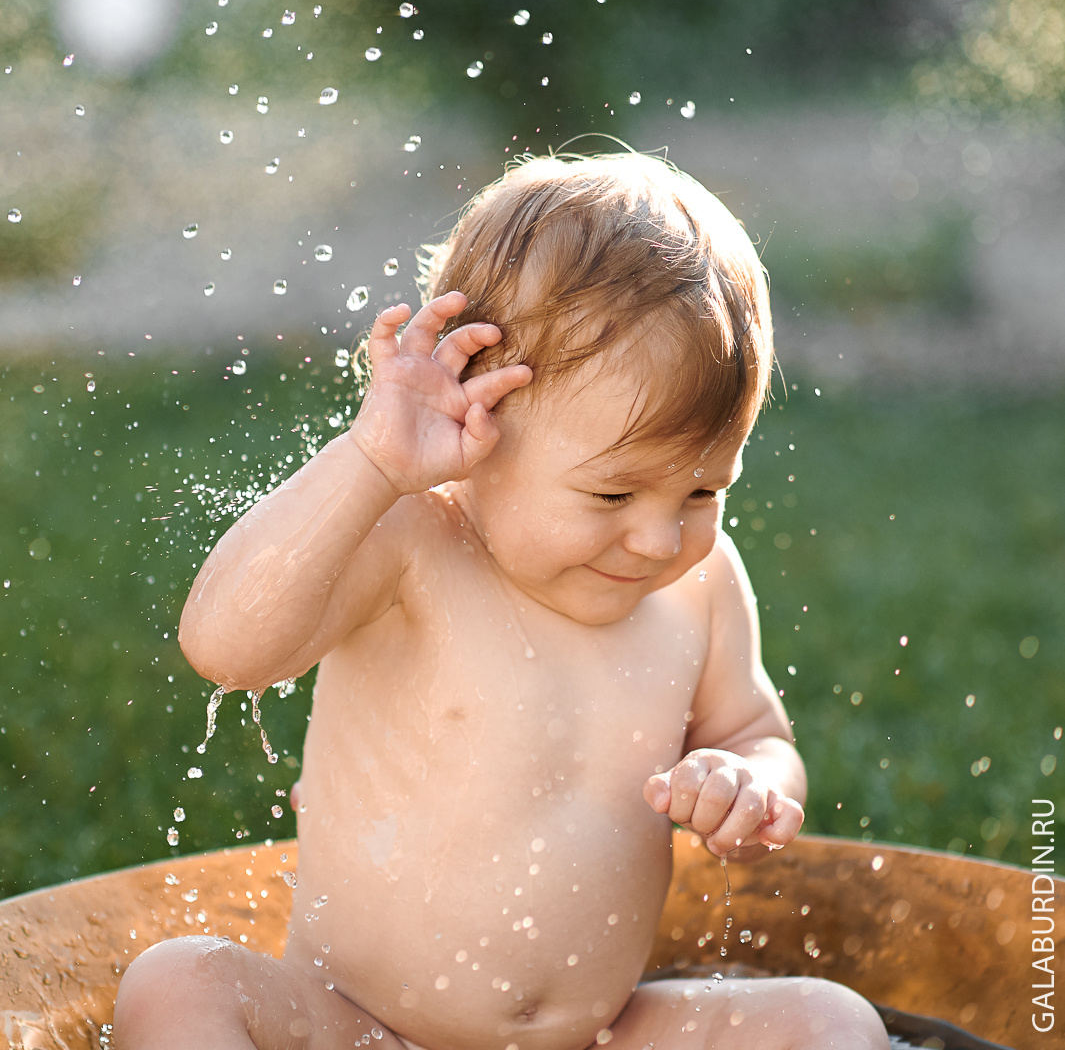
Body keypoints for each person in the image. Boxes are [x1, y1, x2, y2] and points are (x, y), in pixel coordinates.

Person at [114, 152, 888, 1050]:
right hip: (360, 1032)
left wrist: (748, 784)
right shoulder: (413, 544)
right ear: (477, 427)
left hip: (596, 1036)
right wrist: (370, 465)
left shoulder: (699, 587)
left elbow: (754, 730)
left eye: (704, 492)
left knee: (830, 1023)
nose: (656, 538)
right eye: (611, 496)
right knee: (179, 982)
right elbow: (225, 647)